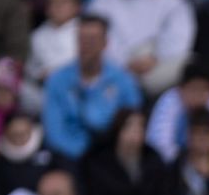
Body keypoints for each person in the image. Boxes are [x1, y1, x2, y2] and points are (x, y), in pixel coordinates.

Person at [42, 13, 143, 160]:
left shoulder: (123, 80)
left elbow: (132, 124)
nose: (86, 45)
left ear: (105, 43)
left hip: (112, 157)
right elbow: (55, 132)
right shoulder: (57, 80)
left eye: (92, 40)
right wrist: (84, 156)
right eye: (82, 39)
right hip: (70, 157)